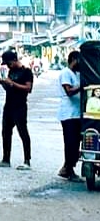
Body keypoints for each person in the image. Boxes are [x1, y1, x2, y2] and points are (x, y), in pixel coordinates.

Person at [0, 50, 34, 170]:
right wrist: (4, 83)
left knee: (23, 132)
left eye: (9, 63)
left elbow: (28, 88)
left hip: (20, 106)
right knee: (5, 132)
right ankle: (6, 159)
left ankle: (27, 160)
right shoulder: (11, 72)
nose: (8, 66)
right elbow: (10, 88)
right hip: (9, 105)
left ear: (15, 60)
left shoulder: (26, 72)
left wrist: (12, 83)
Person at [57, 50, 84, 181]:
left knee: (75, 142)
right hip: (68, 114)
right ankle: (69, 170)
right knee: (70, 142)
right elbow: (69, 91)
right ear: (74, 59)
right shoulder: (65, 73)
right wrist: (81, 86)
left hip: (77, 113)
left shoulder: (77, 74)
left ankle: (67, 167)